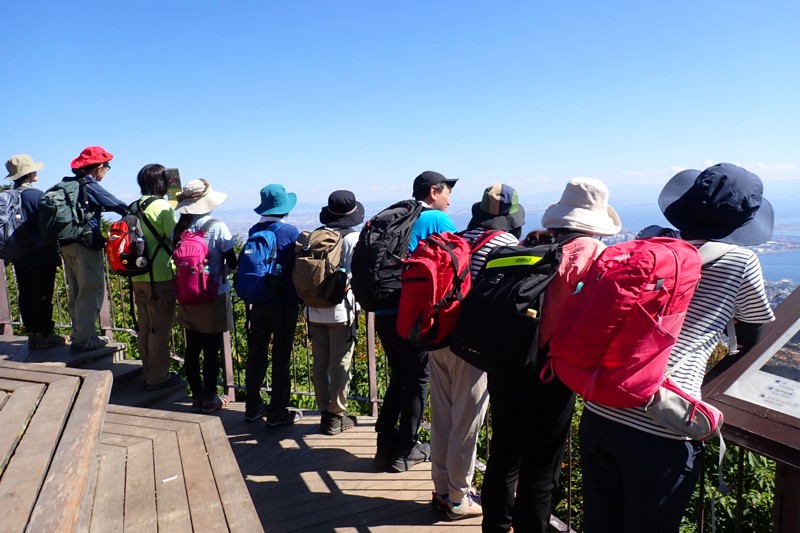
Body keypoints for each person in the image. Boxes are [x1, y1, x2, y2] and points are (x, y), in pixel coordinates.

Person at [580, 164, 775, 533]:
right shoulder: (740, 261)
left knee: (600, 524)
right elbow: (754, 339)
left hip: (602, 407)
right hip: (665, 418)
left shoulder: (647, 245)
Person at [481, 177, 621, 533]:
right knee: (541, 465)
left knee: (504, 449)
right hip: (550, 370)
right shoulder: (592, 252)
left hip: (506, 358)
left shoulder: (530, 242)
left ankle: (496, 525)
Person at [429, 184, 524, 520]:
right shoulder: (507, 244)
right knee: (466, 423)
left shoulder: (459, 236)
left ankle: (440, 488)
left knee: (442, 417)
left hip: (437, 337)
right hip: (473, 346)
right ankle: (457, 497)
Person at [374, 170, 458, 472]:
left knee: (400, 376)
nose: (450, 200)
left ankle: (384, 446)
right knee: (418, 380)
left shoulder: (396, 217)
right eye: (448, 192)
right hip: (410, 312)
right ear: (434, 192)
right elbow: (458, 262)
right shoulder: (436, 219)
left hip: (383, 309)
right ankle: (405, 452)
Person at [173, 179, 237, 414]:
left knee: (193, 347)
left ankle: (197, 395)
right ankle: (211, 397)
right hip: (214, 294)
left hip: (187, 294)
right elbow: (232, 263)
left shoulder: (179, 228)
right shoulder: (217, 227)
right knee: (212, 349)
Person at [243, 184, 303, 427]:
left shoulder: (253, 229)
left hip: (258, 302)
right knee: (281, 355)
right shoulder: (290, 232)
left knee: (256, 353)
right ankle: (278, 411)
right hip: (284, 302)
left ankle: (252, 406)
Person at [306, 190, 364, 435]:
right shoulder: (353, 239)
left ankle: (323, 412)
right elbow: (358, 274)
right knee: (340, 364)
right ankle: (336, 415)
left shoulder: (315, 237)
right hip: (341, 311)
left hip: (313, 310)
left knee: (320, 364)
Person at [62, 146, 128, 352]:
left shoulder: (68, 184)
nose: (106, 171)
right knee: (91, 289)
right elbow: (119, 205)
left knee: (77, 290)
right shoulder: (89, 186)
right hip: (85, 245)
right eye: (106, 167)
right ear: (98, 167)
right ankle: (85, 338)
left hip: (66, 244)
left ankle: (79, 333)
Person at [4, 154, 66, 348]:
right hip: (41, 254)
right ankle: (45, 334)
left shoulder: (8, 197)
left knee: (26, 292)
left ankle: (32, 332)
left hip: (19, 253)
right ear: (30, 174)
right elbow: (51, 224)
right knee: (42, 294)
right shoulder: (37, 196)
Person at [131, 164, 181, 391]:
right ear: (162, 182)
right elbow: (175, 239)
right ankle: (159, 377)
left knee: (145, 326)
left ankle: (147, 371)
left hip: (137, 275)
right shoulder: (162, 207)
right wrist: (175, 201)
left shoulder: (134, 206)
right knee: (160, 328)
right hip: (160, 276)